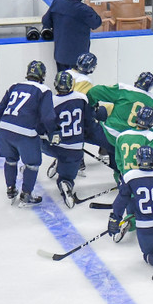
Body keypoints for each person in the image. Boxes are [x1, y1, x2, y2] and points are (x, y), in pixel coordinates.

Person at [0, 60, 58, 207]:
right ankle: (26, 194)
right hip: (25, 134)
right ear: (43, 75)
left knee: (10, 160)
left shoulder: (15, 86)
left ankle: (11, 190)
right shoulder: (44, 90)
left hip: (5, 131)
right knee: (32, 164)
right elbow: (47, 117)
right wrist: (53, 131)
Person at [43, 71, 103, 207]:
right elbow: (89, 123)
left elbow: (43, 125)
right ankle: (66, 183)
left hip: (54, 147)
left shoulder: (50, 101)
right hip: (75, 150)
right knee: (67, 176)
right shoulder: (82, 98)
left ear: (55, 84)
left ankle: (29, 165)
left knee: (34, 140)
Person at [86, 71, 153, 178]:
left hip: (107, 136)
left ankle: (72, 154)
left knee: (80, 131)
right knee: (120, 170)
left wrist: (90, 107)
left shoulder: (124, 89)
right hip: (128, 143)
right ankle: (120, 177)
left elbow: (94, 91)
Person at [42, 0, 103, 72]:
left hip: (60, 55)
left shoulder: (57, 2)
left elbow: (46, 21)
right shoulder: (83, 9)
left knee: (62, 80)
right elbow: (96, 23)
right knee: (77, 81)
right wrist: (88, 6)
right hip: (79, 59)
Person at [113, 105, 153, 174]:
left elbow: (119, 161)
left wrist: (124, 175)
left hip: (127, 176)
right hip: (145, 176)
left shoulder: (121, 136)